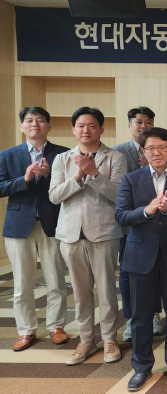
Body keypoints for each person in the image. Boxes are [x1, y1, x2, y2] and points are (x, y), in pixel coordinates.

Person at [115, 127, 167, 391]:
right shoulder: (131, 179)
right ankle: (141, 367)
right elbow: (121, 216)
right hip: (140, 257)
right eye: (151, 148)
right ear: (143, 151)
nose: (157, 152)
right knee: (140, 316)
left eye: (162, 147)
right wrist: (147, 211)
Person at [49, 107, 127, 366]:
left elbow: (119, 195)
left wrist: (94, 173)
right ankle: (85, 339)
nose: (86, 130)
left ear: (102, 129)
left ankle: (109, 338)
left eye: (92, 125)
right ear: (73, 129)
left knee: (106, 290)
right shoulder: (62, 159)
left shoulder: (115, 157)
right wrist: (78, 176)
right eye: (81, 125)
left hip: (104, 233)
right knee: (80, 292)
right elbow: (54, 196)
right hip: (70, 235)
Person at [1, 107, 69, 351]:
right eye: (29, 120)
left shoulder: (63, 153)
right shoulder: (8, 155)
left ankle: (56, 326)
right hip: (19, 226)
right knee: (22, 284)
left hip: (53, 224)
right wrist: (25, 179)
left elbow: (70, 187)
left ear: (49, 126)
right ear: (22, 127)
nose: (35, 124)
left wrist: (50, 176)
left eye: (40, 120)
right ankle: (26, 330)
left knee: (56, 281)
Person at [113, 106, 162, 341]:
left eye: (148, 122)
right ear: (130, 125)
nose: (143, 126)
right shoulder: (117, 152)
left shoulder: (160, 150)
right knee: (127, 272)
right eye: (139, 122)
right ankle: (131, 318)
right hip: (129, 224)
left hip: (157, 224)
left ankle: (154, 314)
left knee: (157, 270)